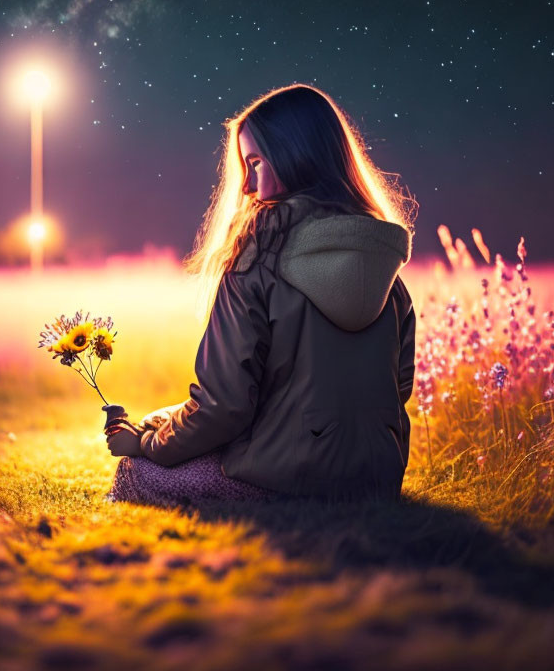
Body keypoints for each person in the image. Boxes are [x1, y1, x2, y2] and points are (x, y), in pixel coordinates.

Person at [105, 84, 417, 507]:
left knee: (139, 470)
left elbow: (224, 408)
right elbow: (397, 386)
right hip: (375, 480)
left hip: (284, 484)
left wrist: (146, 448)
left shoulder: (258, 251)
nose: (248, 185)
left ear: (296, 156)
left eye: (255, 163)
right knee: (160, 421)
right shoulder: (383, 257)